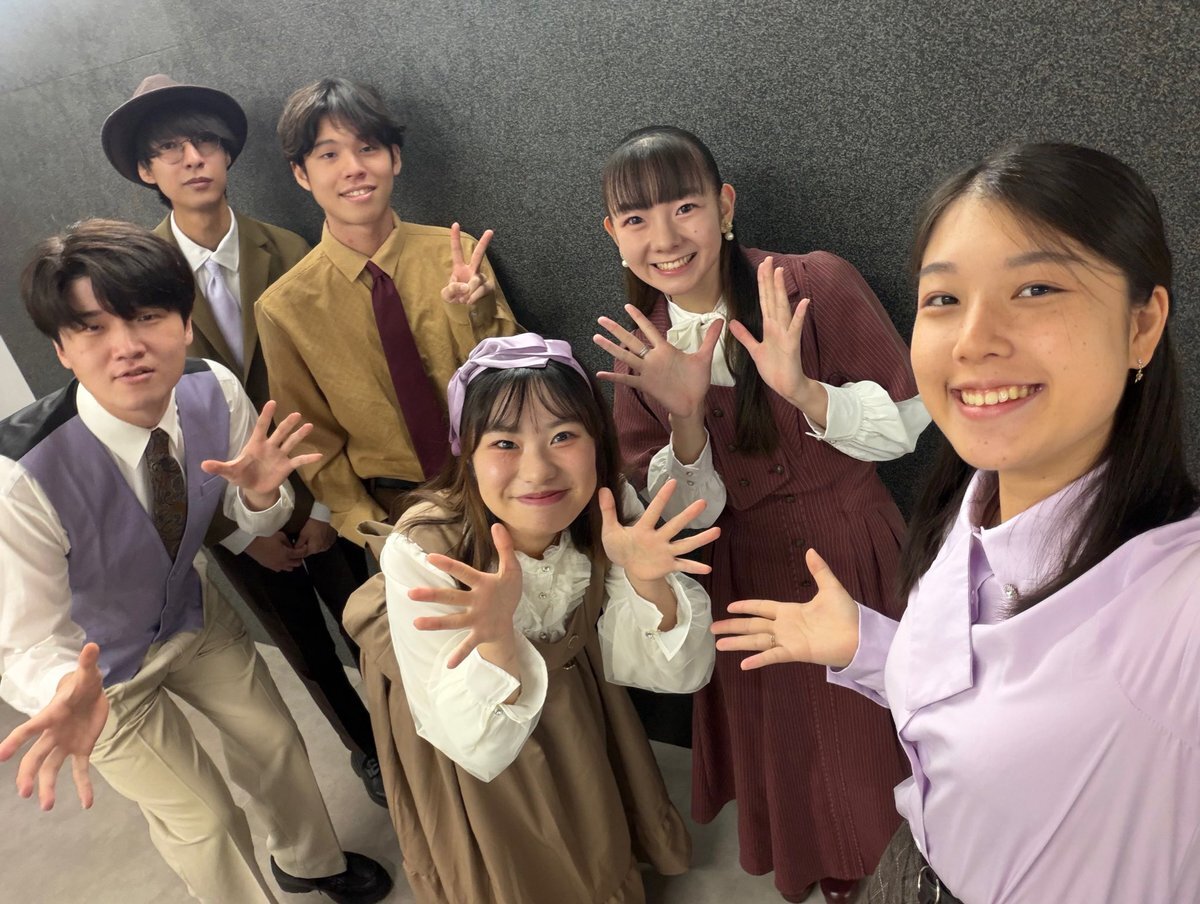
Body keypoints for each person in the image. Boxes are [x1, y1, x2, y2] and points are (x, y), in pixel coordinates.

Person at [712, 142, 1200, 904]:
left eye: (1035, 288)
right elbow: (986, 704)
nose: (973, 340)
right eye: (942, 299)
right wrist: (869, 646)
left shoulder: (1177, 608)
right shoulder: (973, 503)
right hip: (907, 868)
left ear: (1142, 326)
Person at [0, 219, 393, 904]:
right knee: (204, 823)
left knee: (276, 744)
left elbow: (247, 517)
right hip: (95, 671)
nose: (126, 346)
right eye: (92, 328)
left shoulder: (215, 388)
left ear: (185, 324)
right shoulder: (20, 475)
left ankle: (309, 861)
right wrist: (63, 689)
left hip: (192, 613)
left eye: (146, 316)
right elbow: (27, 636)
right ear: (62, 348)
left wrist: (263, 499)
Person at [594, 126, 931, 903]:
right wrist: (683, 416)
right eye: (637, 219)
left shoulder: (814, 283)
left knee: (870, 736)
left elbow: (908, 425)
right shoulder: (642, 348)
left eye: (684, 207)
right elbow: (678, 518)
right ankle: (823, 865)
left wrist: (805, 393)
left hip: (849, 550)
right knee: (787, 746)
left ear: (724, 206)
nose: (665, 238)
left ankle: (900, 869)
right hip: (740, 573)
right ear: (613, 234)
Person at [342, 333, 719, 903]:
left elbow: (675, 673)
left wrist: (647, 581)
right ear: (467, 454)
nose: (539, 470)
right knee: (511, 844)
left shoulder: (604, 506)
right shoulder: (425, 550)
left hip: (571, 689)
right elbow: (470, 741)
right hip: (462, 715)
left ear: (597, 440)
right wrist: (496, 640)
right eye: (505, 443)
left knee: (586, 802)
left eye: (563, 436)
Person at [101, 73, 383, 805]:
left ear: (228, 153)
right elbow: (149, 425)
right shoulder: (136, 283)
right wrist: (233, 534)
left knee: (369, 626)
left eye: (205, 141)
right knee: (305, 648)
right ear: (146, 169)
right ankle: (367, 752)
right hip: (222, 508)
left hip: (322, 489)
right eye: (169, 148)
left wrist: (325, 507)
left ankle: (405, 740)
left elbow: (336, 380)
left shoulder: (286, 247)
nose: (192, 158)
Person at [255, 77, 521, 544]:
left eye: (368, 148)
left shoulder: (456, 254)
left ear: (394, 158)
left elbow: (519, 378)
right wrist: (374, 532)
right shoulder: (285, 308)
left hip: (502, 477)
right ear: (301, 173)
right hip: (396, 509)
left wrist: (473, 312)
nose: (354, 169)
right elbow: (314, 442)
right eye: (329, 155)